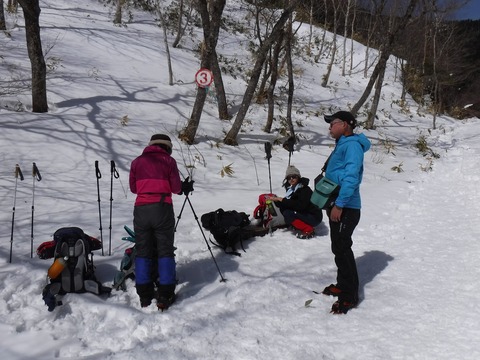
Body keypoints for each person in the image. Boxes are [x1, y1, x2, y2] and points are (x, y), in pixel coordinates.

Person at [129, 133, 189, 311]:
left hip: (141, 210)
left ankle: (144, 295)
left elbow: (134, 188)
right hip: (162, 208)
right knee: (165, 250)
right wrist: (184, 187)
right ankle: (165, 293)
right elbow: (176, 188)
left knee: (143, 251)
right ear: (167, 147)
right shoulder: (168, 162)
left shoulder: (136, 162)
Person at [321, 111, 371, 314]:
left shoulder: (351, 146)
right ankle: (342, 284)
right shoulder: (343, 144)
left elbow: (351, 177)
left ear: (345, 125)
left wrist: (340, 205)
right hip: (337, 203)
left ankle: (349, 295)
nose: (329, 127)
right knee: (338, 247)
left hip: (346, 207)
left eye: (333, 123)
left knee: (342, 248)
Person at [270, 165, 323, 239]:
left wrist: (281, 200)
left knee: (288, 213)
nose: (291, 179)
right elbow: (288, 203)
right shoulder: (292, 189)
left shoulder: (304, 189)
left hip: (314, 217)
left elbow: (300, 206)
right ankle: (298, 224)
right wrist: (275, 200)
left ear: (298, 177)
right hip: (306, 213)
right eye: (289, 178)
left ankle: (308, 230)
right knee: (285, 210)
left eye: (294, 176)